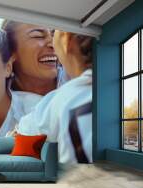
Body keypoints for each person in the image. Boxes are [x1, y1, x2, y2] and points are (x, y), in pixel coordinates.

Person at [16, 30, 93, 164]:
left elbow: (25, 129)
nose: (51, 44)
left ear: (65, 38)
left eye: (52, 34)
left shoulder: (59, 101)